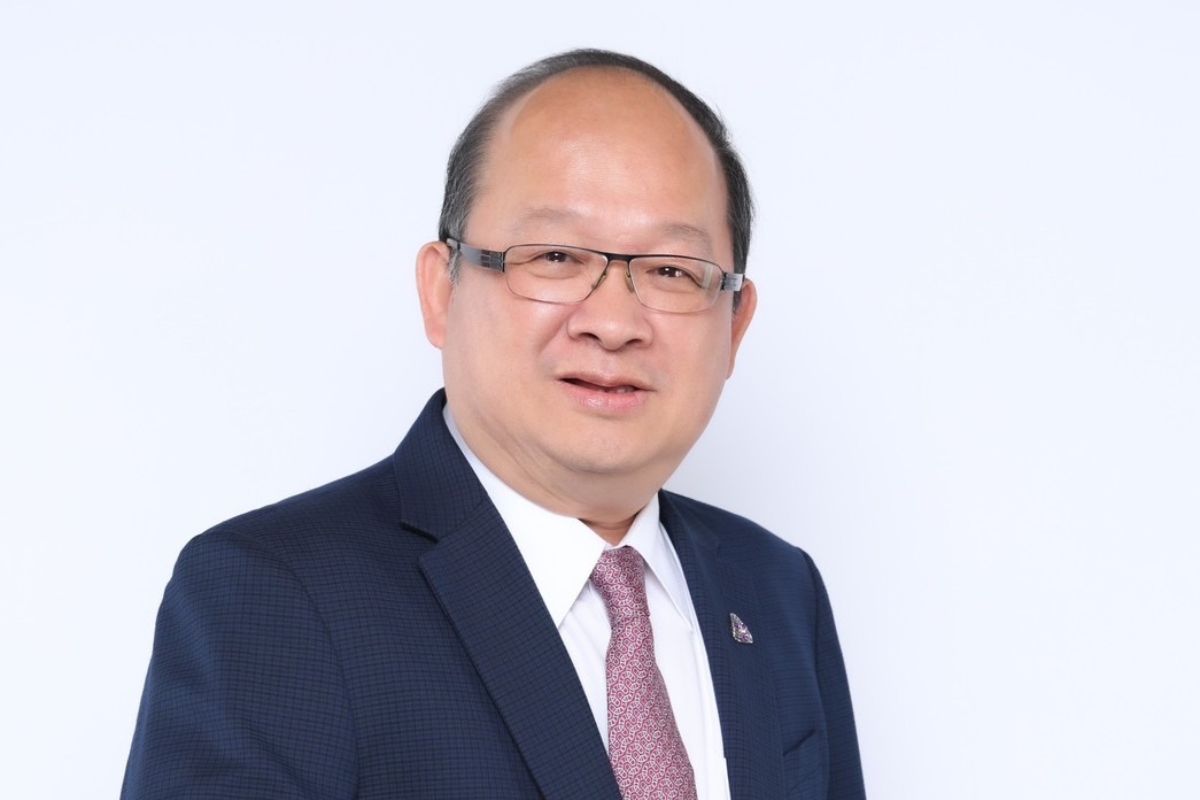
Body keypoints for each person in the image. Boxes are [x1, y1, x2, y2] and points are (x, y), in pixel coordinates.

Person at [121, 49, 866, 800]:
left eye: (672, 270)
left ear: (734, 324)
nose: (613, 323)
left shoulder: (775, 590)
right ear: (441, 292)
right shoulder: (274, 595)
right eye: (556, 256)